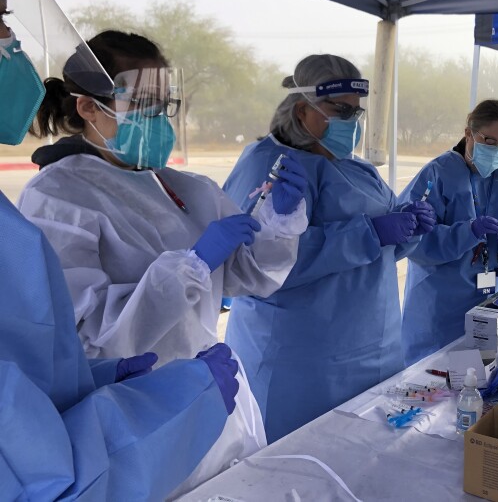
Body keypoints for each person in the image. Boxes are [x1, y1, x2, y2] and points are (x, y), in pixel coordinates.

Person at [0, 0, 240, 500]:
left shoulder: (173, 183)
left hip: (174, 406)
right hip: (136, 435)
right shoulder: (59, 195)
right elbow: (37, 472)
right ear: (88, 106)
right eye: (0, 22)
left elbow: (38, 372)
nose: (12, 45)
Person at [17, 30, 308, 491]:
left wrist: (279, 222)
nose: (157, 117)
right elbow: (89, 336)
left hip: (218, 391)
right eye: (142, 102)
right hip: (140, 413)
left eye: (163, 103)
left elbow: (250, 274)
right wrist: (190, 265)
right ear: (87, 107)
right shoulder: (58, 196)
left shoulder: (185, 188)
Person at [223, 54, 433, 441]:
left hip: (373, 347)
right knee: (293, 465)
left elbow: (380, 253)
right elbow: (257, 265)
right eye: (341, 111)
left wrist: (407, 230)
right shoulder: (274, 165)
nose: (351, 123)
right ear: (303, 110)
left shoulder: (354, 166)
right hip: (301, 359)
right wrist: (368, 234)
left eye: (356, 114)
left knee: (360, 456)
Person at [399, 99, 498, 365]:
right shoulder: (436, 175)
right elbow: (414, 241)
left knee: (479, 372)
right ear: (468, 133)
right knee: (431, 377)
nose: (497, 151)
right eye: (490, 142)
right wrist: (467, 233)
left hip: (487, 301)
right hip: (438, 304)